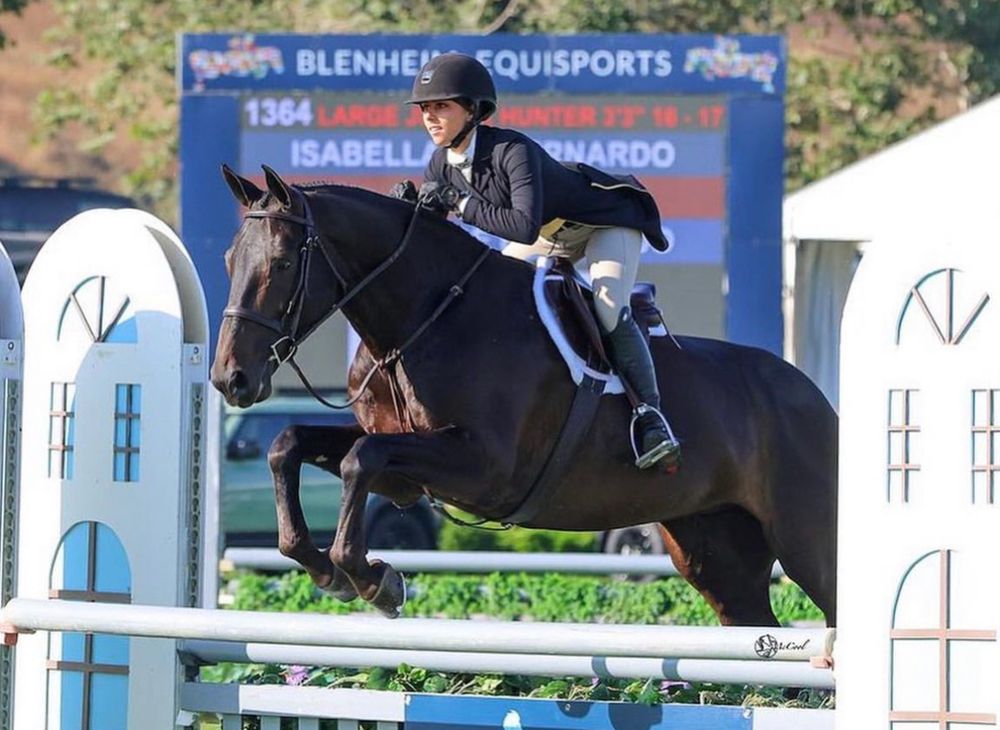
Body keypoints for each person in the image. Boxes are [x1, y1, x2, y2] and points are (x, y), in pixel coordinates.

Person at [391, 52, 680, 470]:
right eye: (424, 109)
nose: (430, 117)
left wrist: (459, 202)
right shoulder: (440, 164)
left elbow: (522, 227)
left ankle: (651, 417)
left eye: (441, 106)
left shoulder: (512, 150)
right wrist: (409, 212)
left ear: (472, 110)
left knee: (607, 306)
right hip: (552, 234)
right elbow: (435, 235)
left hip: (603, 224)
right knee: (488, 289)